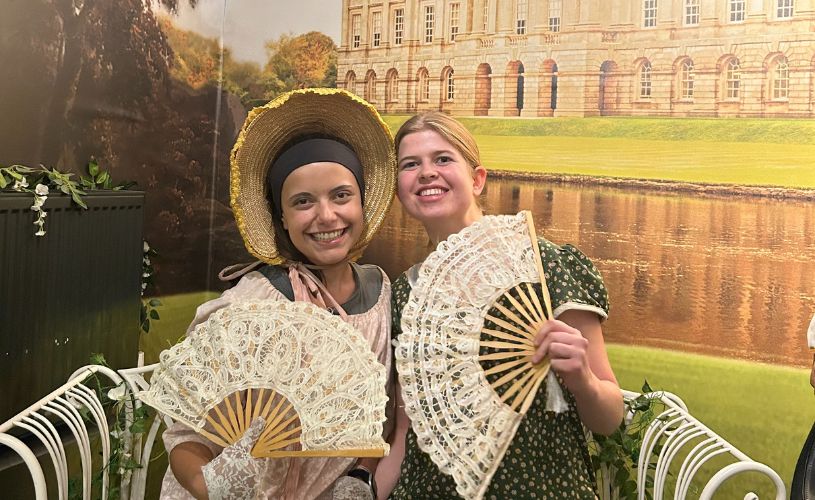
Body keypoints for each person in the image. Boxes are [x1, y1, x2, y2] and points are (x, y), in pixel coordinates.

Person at [159, 88, 397, 500]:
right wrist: (211, 485)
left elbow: (379, 416)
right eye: (303, 202)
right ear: (282, 218)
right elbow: (185, 436)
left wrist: (358, 477)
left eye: (341, 195)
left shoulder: (381, 292)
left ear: (362, 202)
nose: (327, 216)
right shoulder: (252, 305)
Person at [375, 112, 625, 499]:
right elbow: (407, 431)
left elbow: (608, 419)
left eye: (442, 159)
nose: (427, 172)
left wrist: (584, 381)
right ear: (400, 191)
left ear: (477, 179)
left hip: (543, 489)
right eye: (411, 164)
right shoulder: (405, 296)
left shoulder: (545, 269)